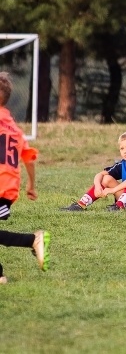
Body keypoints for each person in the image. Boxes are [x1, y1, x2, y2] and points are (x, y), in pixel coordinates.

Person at [0, 72, 49, 283]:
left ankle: (33, 239)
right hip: (8, 187)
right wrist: (31, 185)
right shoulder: (15, 129)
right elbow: (29, 158)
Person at [60, 132, 126, 212]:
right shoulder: (123, 164)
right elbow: (99, 174)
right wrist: (98, 186)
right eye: (122, 148)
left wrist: (113, 190)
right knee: (106, 178)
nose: (125, 151)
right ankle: (81, 204)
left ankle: (119, 206)